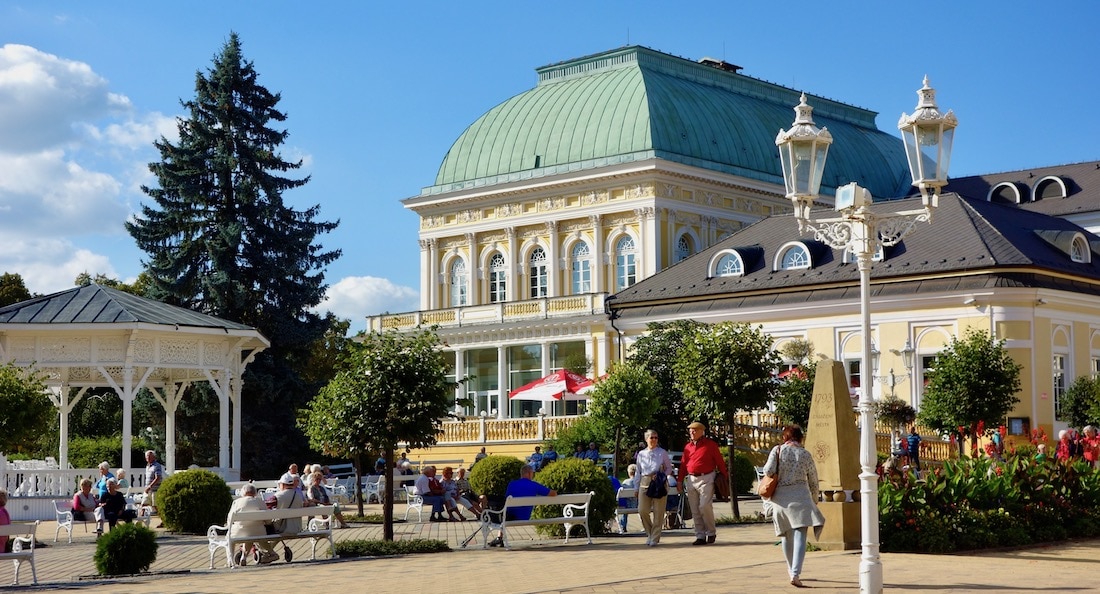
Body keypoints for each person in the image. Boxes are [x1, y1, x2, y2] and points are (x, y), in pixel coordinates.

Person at [762, 425, 825, 588]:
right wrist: (814, 499)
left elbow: (768, 470)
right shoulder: (805, 454)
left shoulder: (777, 450)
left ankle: (791, 570)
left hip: (781, 499)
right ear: (800, 438)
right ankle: (796, 573)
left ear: (785, 437)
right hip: (801, 497)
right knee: (800, 535)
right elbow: (813, 479)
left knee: (786, 535)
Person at [677, 421, 727, 545]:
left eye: (694, 430)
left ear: (701, 431)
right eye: (690, 430)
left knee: (704, 506)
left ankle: (711, 532)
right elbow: (683, 465)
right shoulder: (688, 447)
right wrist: (679, 480)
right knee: (695, 509)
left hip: (707, 478)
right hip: (691, 479)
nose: (692, 432)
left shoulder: (710, 445)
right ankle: (700, 535)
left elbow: (719, 461)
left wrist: (725, 476)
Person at [488, 465, 556, 547]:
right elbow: (553, 494)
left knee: (505, 514)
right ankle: (499, 538)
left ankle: (500, 537)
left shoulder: (512, 484)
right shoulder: (534, 485)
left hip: (508, 516)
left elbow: (506, 499)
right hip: (523, 517)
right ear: (529, 473)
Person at [636, 429, 674, 545]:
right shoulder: (641, 454)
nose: (654, 440)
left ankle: (655, 537)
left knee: (658, 511)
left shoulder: (662, 453)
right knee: (642, 510)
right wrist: (636, 488)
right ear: (646, 439)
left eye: (656, 437)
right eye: (651, 437)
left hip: (658, 482)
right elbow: (638, 471)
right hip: (645, 481)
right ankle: (649, 533)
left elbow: (669, 468)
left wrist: (661, 475)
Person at [228, 483, 279, 564]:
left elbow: (230, 519)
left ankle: (237, 559)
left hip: (239, 532)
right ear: (255, 492)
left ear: (243, 492)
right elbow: (268, 520)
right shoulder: (260, 501)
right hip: (259, 532)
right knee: (252, 532)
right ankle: (271, 552)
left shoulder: (236, 502)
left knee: (248, 533)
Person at [144, 450, 165, 520]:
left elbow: (158, 478)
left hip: (155, 490)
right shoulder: (147, 466)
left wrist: (150, 486)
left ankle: (163, 520)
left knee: (156, 506)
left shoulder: (157, 466)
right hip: (148, 490)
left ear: (154, 457)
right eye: (147, 456)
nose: (148, 458)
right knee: (143, 504)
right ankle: (139, 524)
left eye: (150, 456)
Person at [618, 463, 638, 533]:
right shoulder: (639, 482)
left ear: (629, 472)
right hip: (638, 505)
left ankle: (623, 526)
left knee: (625, 505)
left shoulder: (625, 482)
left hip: (627, 506)